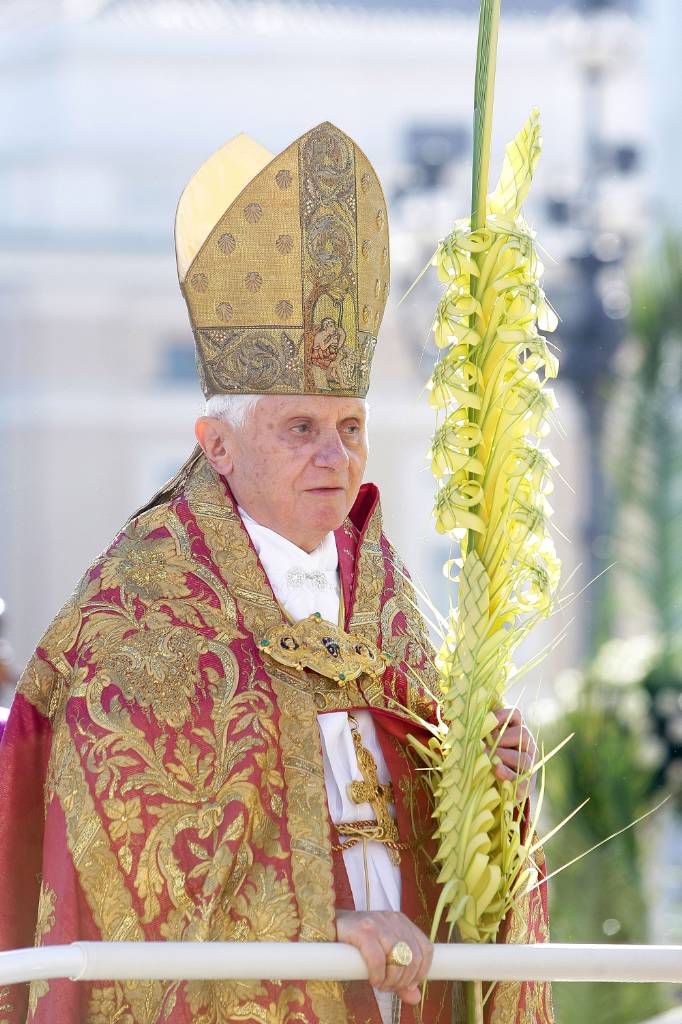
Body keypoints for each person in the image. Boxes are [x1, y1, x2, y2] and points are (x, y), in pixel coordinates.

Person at [0, 122, 552, 1024]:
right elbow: (138, 873)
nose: (335, 456)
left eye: (350, 427)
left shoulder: (388, 595)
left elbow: (429, 831)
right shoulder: (138, 614)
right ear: (215, 445)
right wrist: (324, 932)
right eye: (300, 429)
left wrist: (489, 789)